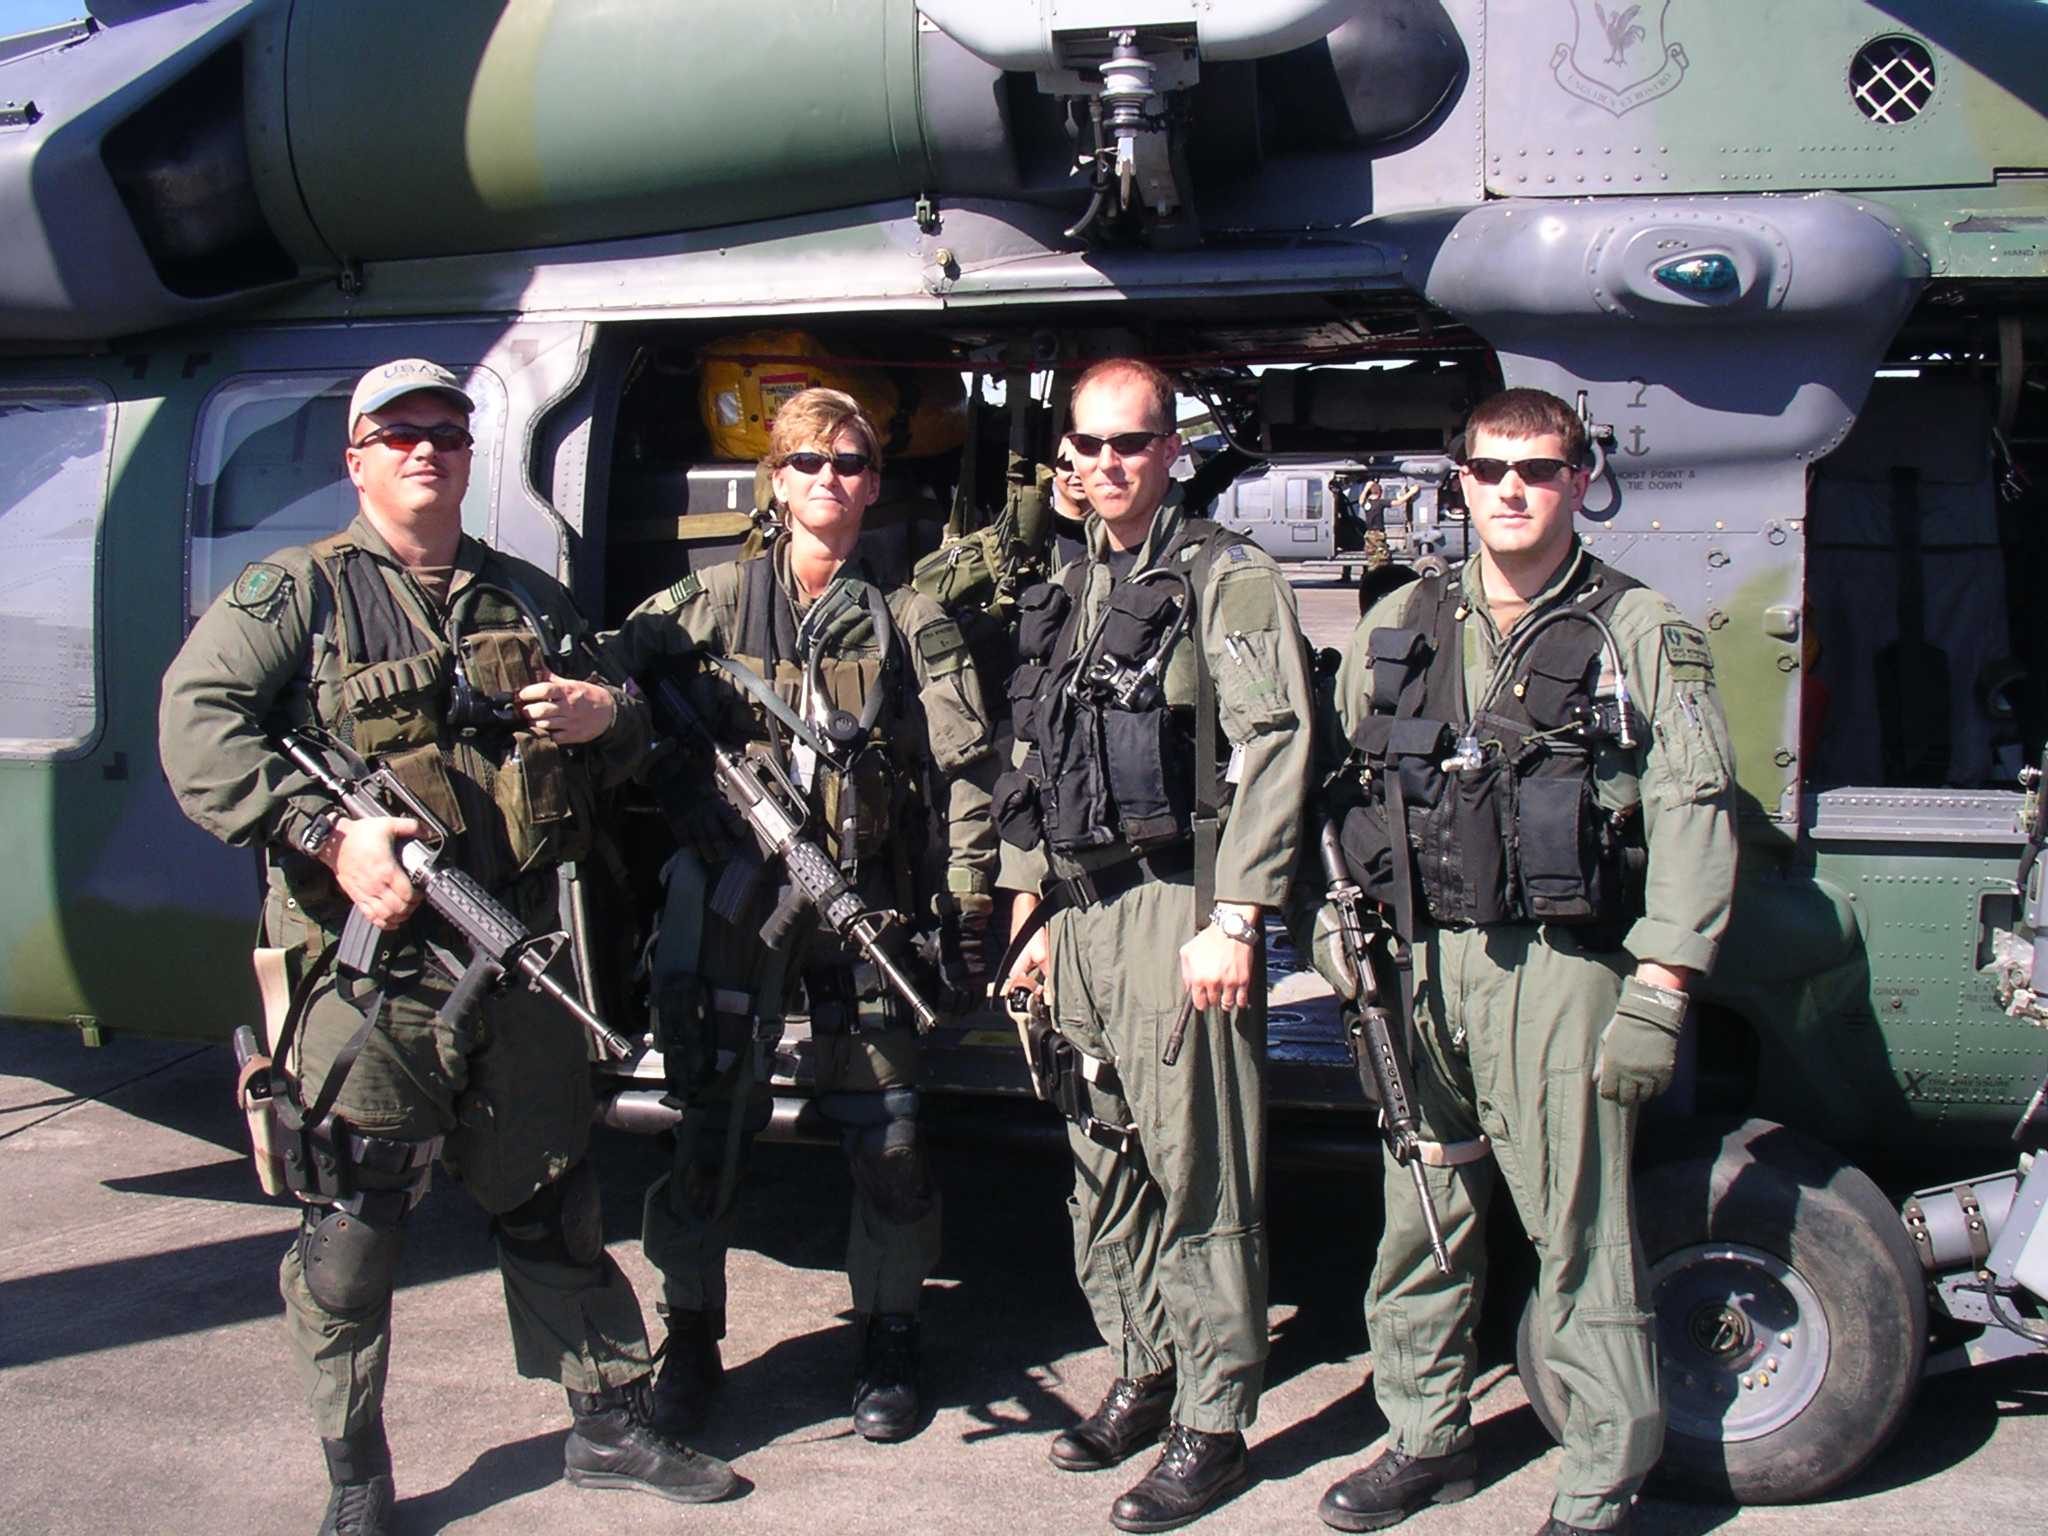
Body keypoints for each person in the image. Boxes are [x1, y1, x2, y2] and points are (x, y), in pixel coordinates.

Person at [159, 359, 734, 1536]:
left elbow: (629, 730)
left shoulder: (524, 597)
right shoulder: (296, 597)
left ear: (470, 457)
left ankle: (607, 1425)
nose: (427, 448)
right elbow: (197, 729)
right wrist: (329, 836)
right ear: (357, 459)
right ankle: (355, 1474)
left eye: (448, 432)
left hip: (512, 953)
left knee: (551, 1194)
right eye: (400, 433)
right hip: (372, 973)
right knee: (353, 1225)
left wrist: (602, 715)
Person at [1316, 387, 1737, 1536]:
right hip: (1418, 965)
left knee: (1578, 1233)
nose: (1511, 489)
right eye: (1490, 468)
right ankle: (1425, 1439)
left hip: (1555, 968)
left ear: (1577, 480)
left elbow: (1693, 806)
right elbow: (1343, 789)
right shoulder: (1400, 619)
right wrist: (1331, 926)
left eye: (1538, 469)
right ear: (1458, 480)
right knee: (1423, 1212)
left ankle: (1600, 1480)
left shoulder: (1634, 629)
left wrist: (1661, 984)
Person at [604, 387, 997, 1445]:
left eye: (851, 464)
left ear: (873, 485)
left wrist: (968, 899)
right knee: (707, 1124)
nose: (831, 480)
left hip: (861, 898)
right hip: (734, 901)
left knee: (889, 1136)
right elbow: (608, 678)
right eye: (809, 463)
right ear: (774, 482)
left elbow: (967, 771)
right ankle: (690, 1335)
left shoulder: (910, 618)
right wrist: (664, 764)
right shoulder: (710, 602)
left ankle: (890, 1334)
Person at [997, 358, 1315, 1532]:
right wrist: (1027, 912)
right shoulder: (1073, 580)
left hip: (1174, 906)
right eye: (1087, 445)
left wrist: (1235, 917)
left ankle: (1213, 1422)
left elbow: (1274, 742)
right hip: (1076, 911)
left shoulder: (1226, 577)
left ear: (1170, 449)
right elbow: (1036, 754)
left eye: (1129, 442)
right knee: (1101, 1158)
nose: (1106, 464)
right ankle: (1143, 1367)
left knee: (1198, 1172)